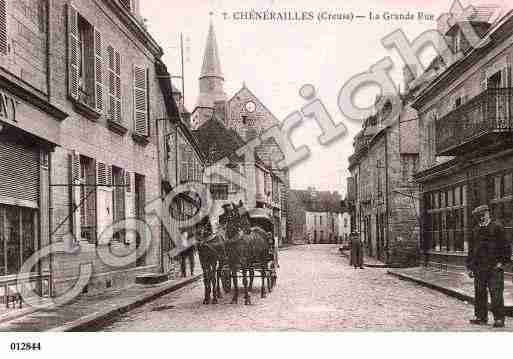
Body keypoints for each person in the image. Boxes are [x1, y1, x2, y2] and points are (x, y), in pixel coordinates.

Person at [466, 204, 511, 328]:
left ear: (487, 214)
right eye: (479, 216)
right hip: (479, 267)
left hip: (494, 267)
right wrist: (470, 267)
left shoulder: (497, 227)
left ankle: (499, 319)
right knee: (479, 292)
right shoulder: (475, 230)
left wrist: (501, 263)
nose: (481, 218)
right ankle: (481, 317)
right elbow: (471, 250)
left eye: (483, 215)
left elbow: (506, 247)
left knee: (496, 293)